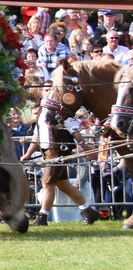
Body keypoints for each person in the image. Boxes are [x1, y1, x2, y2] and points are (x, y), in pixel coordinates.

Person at [22, 75, 104, 226]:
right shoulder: (43, 111)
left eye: (49, 90)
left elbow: (75, 131)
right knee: (62, 185)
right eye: (45, 90)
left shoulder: (60, 112)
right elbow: (37, 135)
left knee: (46, 183)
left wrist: (87, 148)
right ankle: (89, 212)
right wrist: (27, 154)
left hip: (58, 151)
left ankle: (42, 218)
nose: (46, 92)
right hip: (48, 151)